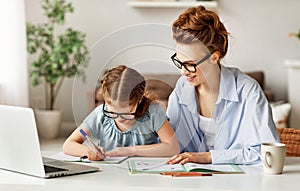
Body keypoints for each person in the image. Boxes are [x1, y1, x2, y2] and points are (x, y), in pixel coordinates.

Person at [166, 5, 279, 165]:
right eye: (179, 62)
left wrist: (209, 157)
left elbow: (267, 154)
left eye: (190, 64)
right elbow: (169, 143)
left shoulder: (248, 91)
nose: (183, 72)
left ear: (214, 57)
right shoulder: (183, 87)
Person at [63, 65, 179, 160]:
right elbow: (68, 144)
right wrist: (89, 151)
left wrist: (131, 150)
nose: (119, 118)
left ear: (139, 100)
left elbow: (172, 147)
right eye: (112, 112)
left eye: (126, 113)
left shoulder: (152, 112)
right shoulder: (100, 114)